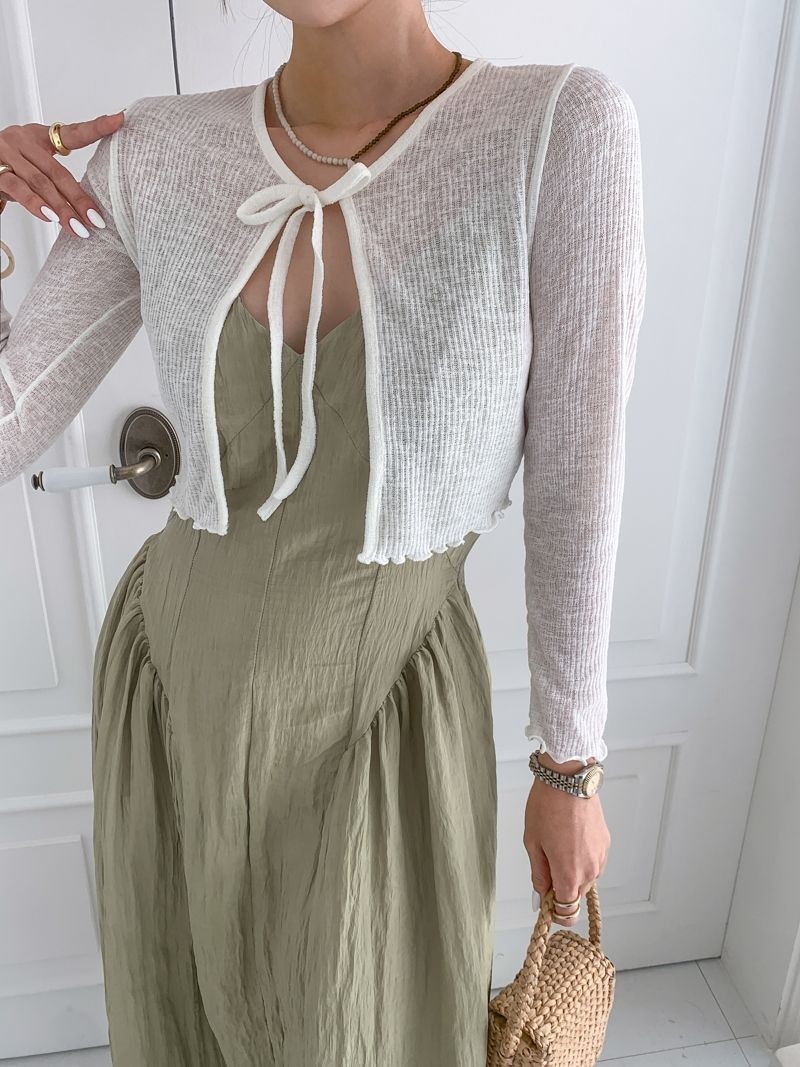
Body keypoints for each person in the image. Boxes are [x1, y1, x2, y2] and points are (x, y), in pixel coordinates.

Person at [0, 0, 646, 1062]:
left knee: (367, 1024)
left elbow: (581, 475)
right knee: (190, 1020)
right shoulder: (157, 150)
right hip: (175, 704)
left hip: (383, 718)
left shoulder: (556, 130)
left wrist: (568, 764)